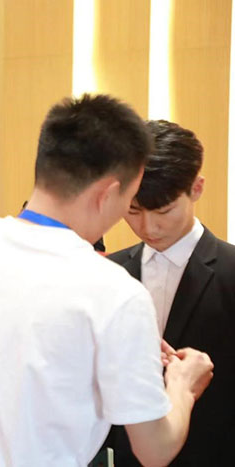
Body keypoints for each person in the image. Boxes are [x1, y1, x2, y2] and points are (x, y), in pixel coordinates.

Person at [0, 94, 214, 466]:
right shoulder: (113, 291)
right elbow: (155, 450)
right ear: (108, 193)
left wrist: (115, 344)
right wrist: (182, 384)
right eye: (130, 202)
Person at [105, 120, 235, 465]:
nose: (149, 227)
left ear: (196, 188)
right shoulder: (109, 273)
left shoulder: (231, 272)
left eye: (164, 211)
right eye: (133, 211)